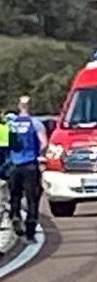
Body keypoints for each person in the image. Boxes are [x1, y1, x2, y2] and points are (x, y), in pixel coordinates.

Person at [8, 96, 47, 242]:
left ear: (18, 106)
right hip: (30, 164)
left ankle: (15, 214)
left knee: (15, 195)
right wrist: (37, 153)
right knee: (32, 198)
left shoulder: (11, 123)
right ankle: (30, 229)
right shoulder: (36, 123)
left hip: (14, 164)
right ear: (30, 107)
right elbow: (44, 143)